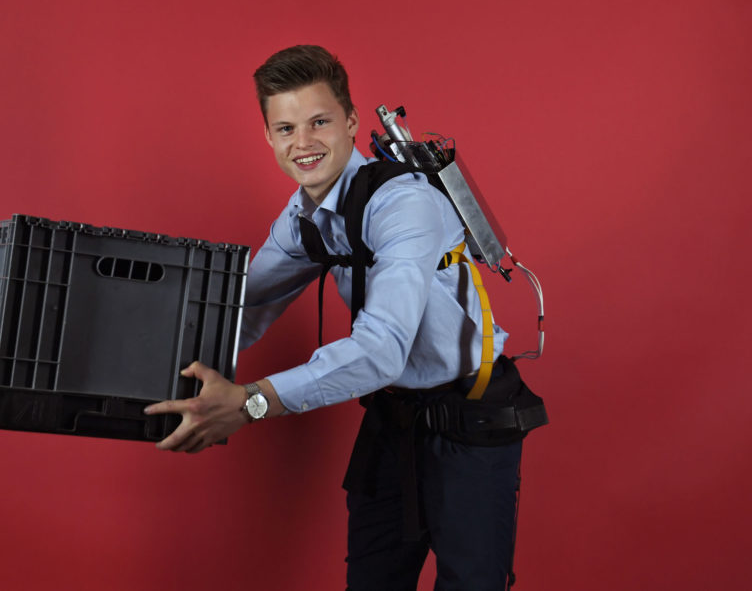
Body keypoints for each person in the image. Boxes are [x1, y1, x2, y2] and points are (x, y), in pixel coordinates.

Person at [145, 45, 525, 590]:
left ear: (349, 122)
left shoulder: (404, 205)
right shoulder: (305, 218)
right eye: (285, 128)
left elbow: (381, 349)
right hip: (393, 419)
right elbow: (238, 311)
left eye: (319, 121)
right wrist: (134, 366)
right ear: (269, 138)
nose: (303, 143)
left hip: (471, 416)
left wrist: (250, 403)